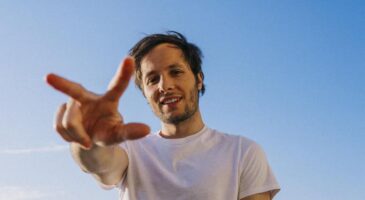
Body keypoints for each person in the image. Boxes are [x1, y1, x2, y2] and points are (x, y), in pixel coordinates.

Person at [46, 31, 280, 200]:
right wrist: (89, 139)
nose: (164, 85)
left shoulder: (242, 152)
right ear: (145, 93)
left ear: (199, 79)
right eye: (152, 79)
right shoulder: (132, 150)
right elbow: (101, 165)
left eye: (176, 72)